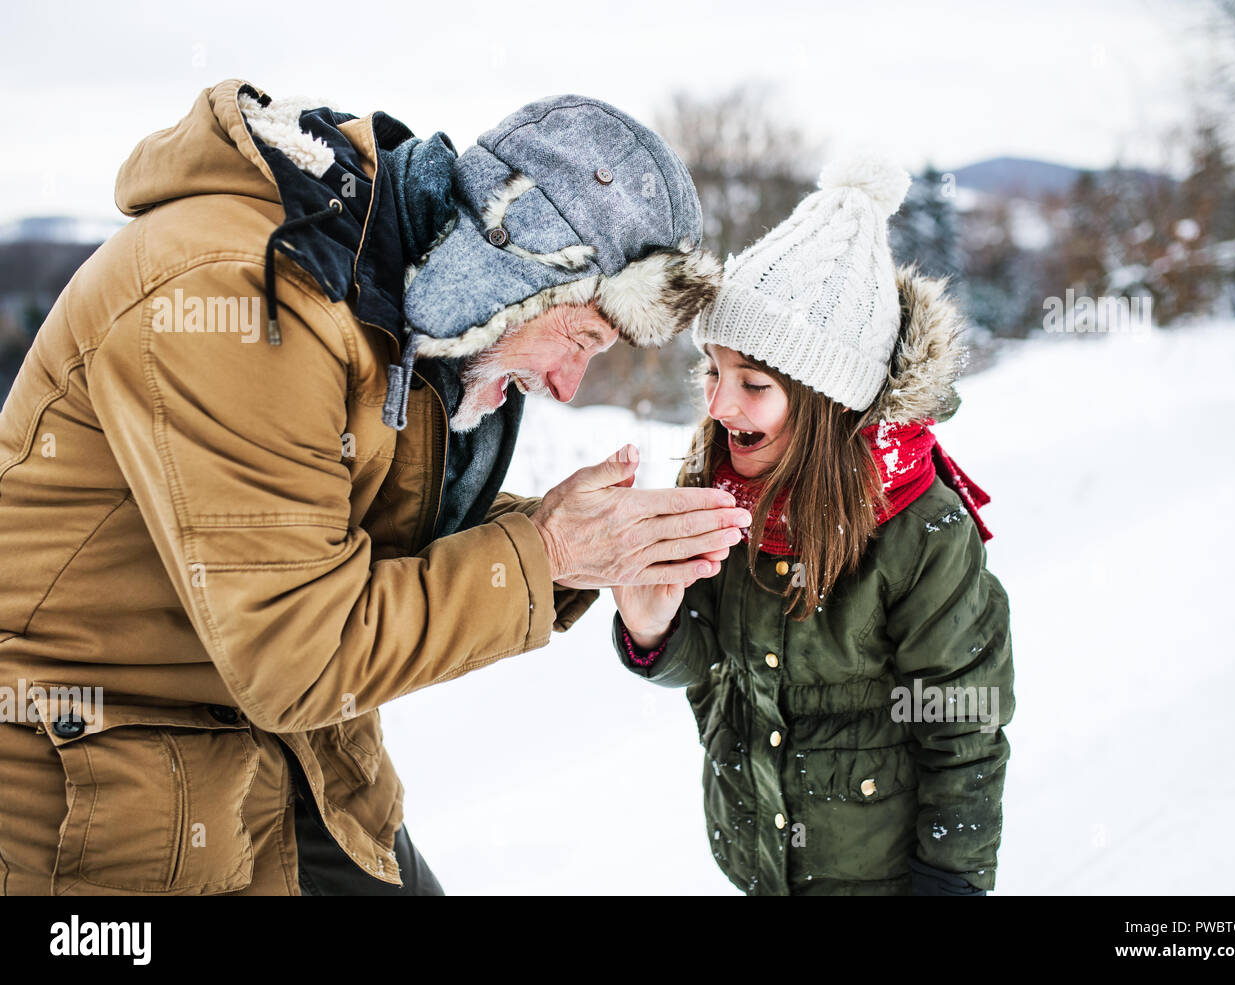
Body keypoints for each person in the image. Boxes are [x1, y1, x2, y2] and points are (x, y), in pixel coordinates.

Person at [0, 80, 749, 896]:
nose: (569, 386)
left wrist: (583, 549)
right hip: (101, 775)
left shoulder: (385, 292)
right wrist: (550, 552)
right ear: (516, 272)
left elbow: (361, 529)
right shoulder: (247, 297)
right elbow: (299, 652)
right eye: (582, 338)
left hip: (279, 746)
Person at [609, 154, 1015, 896]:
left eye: (754, 384)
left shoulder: (919, 529)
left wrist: (948, 884)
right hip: (760, 861)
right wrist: (654, 633)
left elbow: (964, 729)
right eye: (713, 371)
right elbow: (713, 672)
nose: (719, 404)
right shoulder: (713, 485)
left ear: (828, 399)